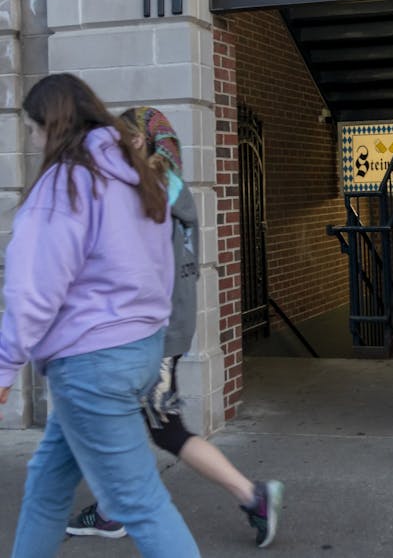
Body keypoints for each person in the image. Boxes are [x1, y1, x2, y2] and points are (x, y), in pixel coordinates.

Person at [0, 74, 200, 557]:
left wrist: (5, 366)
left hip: (90, 363)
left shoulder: (65, 184)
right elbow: (161, 273)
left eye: (31, 128)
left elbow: (32, 291)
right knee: (47, 488)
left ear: (52, 124)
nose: (29, 140)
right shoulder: (137, 176)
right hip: (136, 353)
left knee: (141, 504)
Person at [65, 106, 284, 549]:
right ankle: (112, 509)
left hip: (151, 335)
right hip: (167, 331)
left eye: (118, 141)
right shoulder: (174, 190)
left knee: (164, 428)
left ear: (139, 143)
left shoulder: (146, 196)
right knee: (122, 419)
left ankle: (252, 495)